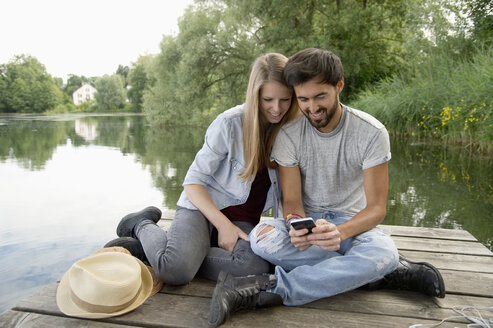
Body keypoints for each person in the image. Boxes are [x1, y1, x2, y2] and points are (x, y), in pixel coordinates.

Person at [207, 48, 446, 327]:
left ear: (339, 86)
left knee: (383, 250)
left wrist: (341, 232)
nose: (312, 108)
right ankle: (379, 272)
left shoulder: (372, 133)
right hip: (306, 229)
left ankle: (267, 289)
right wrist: (296, 224)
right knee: (261, 238)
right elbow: (292, 201)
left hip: (351, 226)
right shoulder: (288, 134)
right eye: (303, 99)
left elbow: (377, 208)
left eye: (320, 96)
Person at [105, 53, 298, 286]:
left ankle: (171, 251)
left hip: (243, 220)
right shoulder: (229, 124)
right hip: (202, 207)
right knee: (175, 272)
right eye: (268, 99)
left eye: (285, 100)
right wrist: (223, 225)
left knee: (254, 267)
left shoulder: (291, 130)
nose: (276, 109)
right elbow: (193, 182)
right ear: (255, 94)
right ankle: (141, 225)